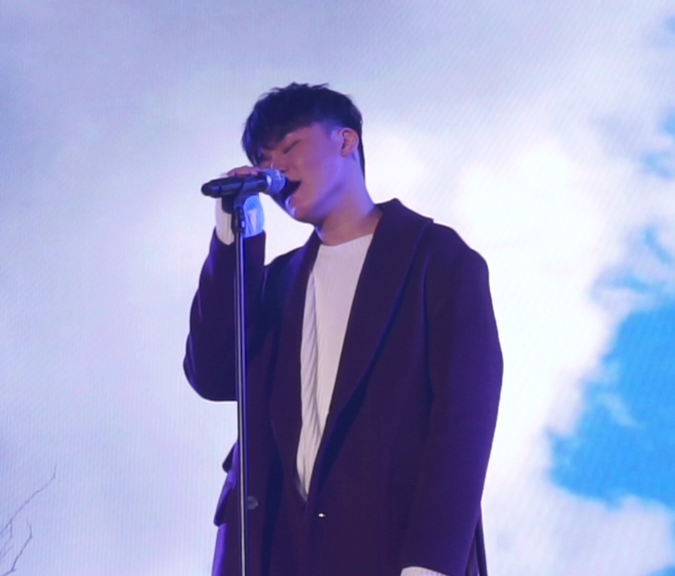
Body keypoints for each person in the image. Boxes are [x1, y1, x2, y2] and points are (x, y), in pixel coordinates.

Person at [184, 83, 502, 576]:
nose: (275, 168)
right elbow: (214, 374)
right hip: (275, 555)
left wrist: (430, 564)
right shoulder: (273, 281)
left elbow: (463, 419)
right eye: (263, 159)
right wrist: (234, 238)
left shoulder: (435, 257)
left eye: (289, 146)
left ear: (346, 141)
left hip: (391, 551)